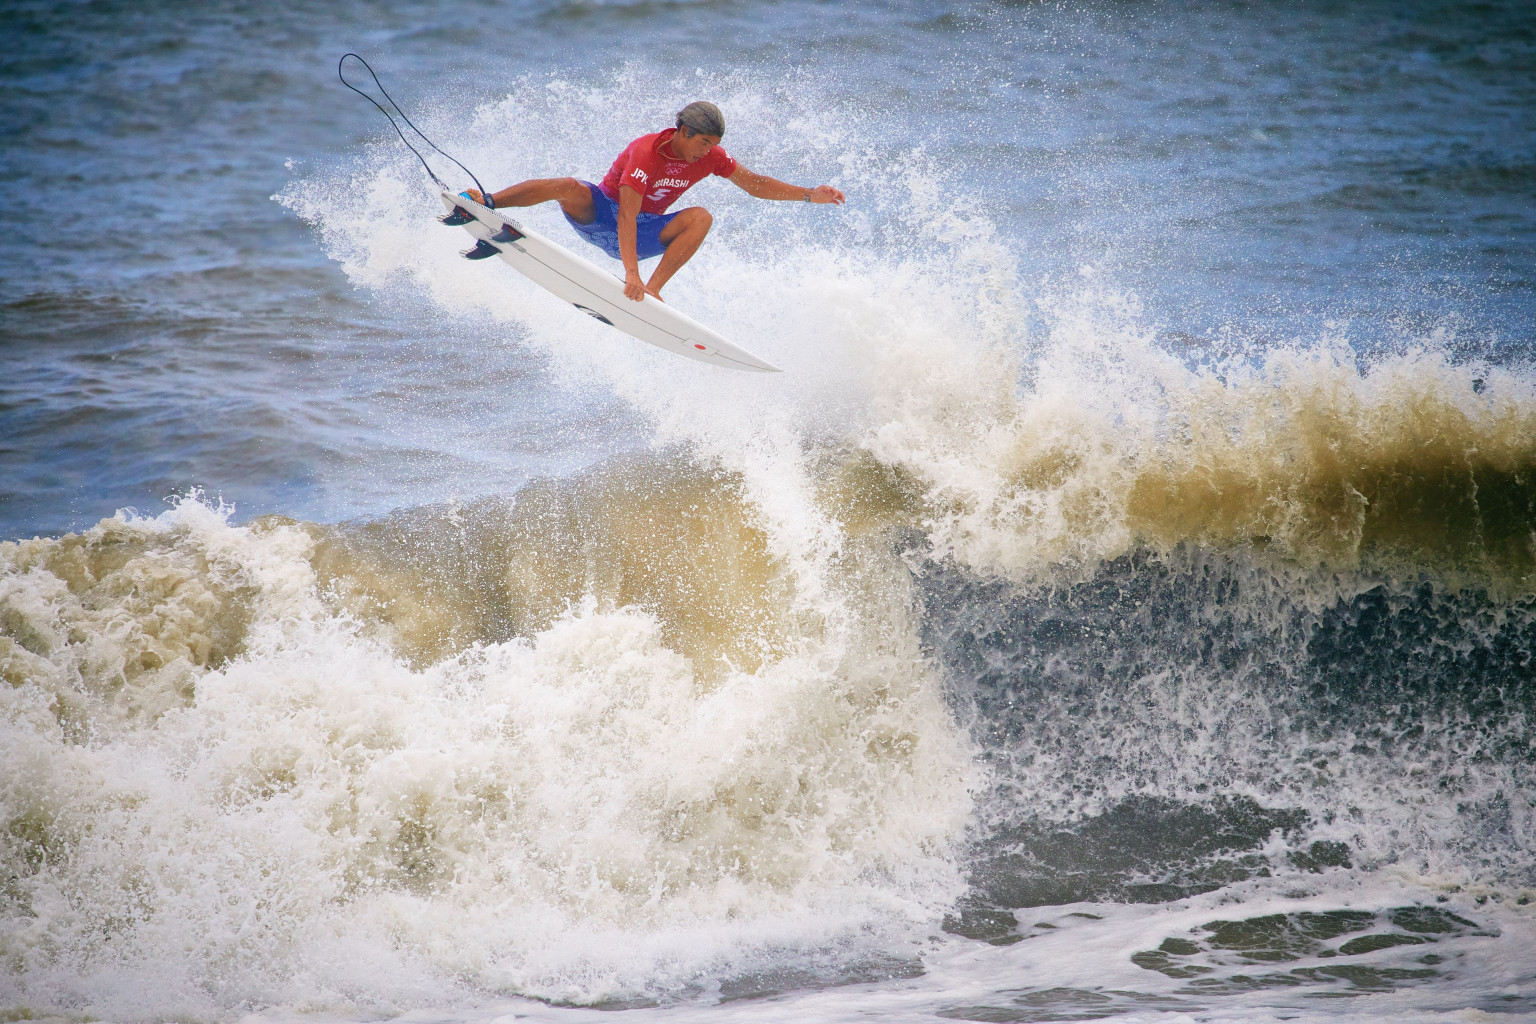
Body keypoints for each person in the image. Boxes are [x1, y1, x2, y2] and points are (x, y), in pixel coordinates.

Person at [465, 101, 845, 302]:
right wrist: (631, 273)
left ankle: (655, 289)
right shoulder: (647, 153)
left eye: (713, 144)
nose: (708, 151)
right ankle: (490, 201)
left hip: (646, 230)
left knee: (701, 217)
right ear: (683, 131)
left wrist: (810, 195)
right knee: (568, 185)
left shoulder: (713, 158)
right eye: (703, 142)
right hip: (601, 216)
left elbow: (755, 184)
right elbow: (625, 215)